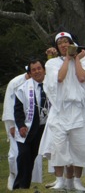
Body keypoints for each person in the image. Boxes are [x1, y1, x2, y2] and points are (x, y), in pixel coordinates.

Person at [43, 31, 85, 191]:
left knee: (79, 146)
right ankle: (60, 180)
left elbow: (82, 77)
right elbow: (59, 77)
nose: (64, 45)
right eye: (60, 43)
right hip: (60, 110)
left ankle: (77, 180)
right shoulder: (51, 63)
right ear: (57, 47)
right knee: (58, 146)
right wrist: (67, 59)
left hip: (77, 110)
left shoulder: (84, 60)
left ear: (73, 43)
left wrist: (77, 59)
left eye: (67, 42)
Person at [12, 59, 49, 189]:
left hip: (48, 126)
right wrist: (21, 125)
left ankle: (65, 181)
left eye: (39, 68)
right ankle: (21, 186)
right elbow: (17, 110)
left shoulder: (52, 83)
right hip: (29, 128)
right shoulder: (23, 89)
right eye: (33, 70)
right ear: (30, 73)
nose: (37, 71)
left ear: (44, 69)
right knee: (25, 156)